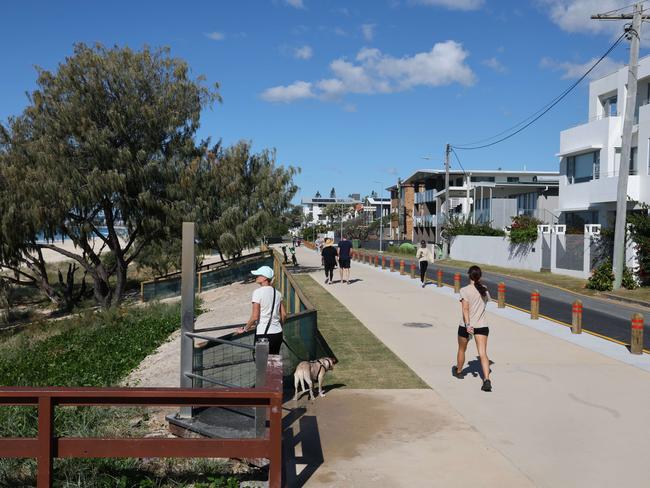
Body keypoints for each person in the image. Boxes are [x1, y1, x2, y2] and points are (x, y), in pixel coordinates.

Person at [453, 265, 492, 392]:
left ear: (469, 275)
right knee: (483, 353)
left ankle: (459, 371)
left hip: (466, 326)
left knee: (462, 349)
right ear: (479, 276)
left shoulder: (465, 290)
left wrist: (468, 325)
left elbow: (465, 309)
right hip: (482, 325)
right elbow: (486, 302)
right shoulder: (484, 289)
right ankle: (486, 379)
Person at [235, 265, 286, 354]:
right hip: (278, 333)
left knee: (262, 365)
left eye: (258, 275)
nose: (256, 277)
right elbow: (284, 314)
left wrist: (245, 329)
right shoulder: (277, 293)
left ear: (265, 278)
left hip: (263, 334)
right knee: (273, 366)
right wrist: (278, 326)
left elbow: (255, 317)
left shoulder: (257, 293)